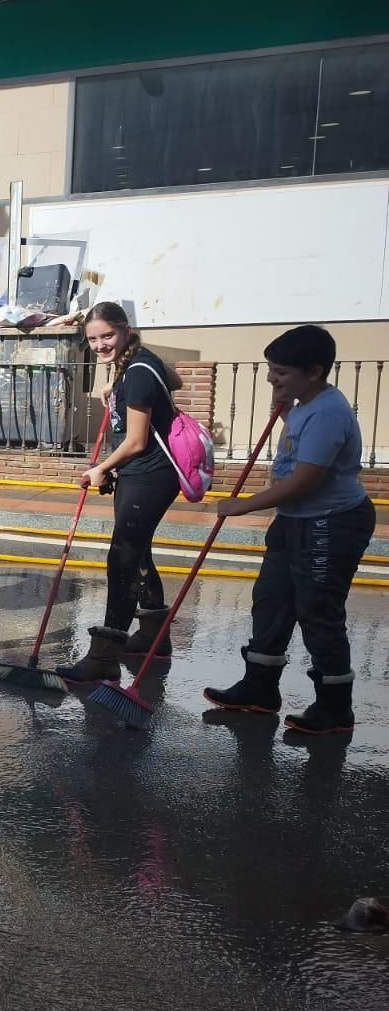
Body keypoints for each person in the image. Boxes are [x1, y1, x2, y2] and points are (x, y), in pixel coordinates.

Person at [204, 324, 376, 734]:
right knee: (272, 599)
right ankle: (259, 689)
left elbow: (303, 482)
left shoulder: (328, 412)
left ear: (313, 371)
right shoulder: (302, 403)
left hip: (330, 522)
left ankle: (335, 707)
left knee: (317, 610)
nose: (271, 379)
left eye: (280, 372)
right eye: (270, 370)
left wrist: (242, 506)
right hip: (296, 519)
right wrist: (280, 408)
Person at [56, 303, 184, 683]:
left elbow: (136, 440)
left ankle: (105, 656)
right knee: (138, 548)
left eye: (107, 336)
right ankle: (152, 637)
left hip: (149, 474)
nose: (100, 345)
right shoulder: (140, 364)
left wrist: (100, 468)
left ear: (126, 330)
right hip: (140, 473)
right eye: (93, 339)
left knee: (123, 557)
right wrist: (118, 383)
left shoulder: (139, 371)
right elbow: (173, 379)